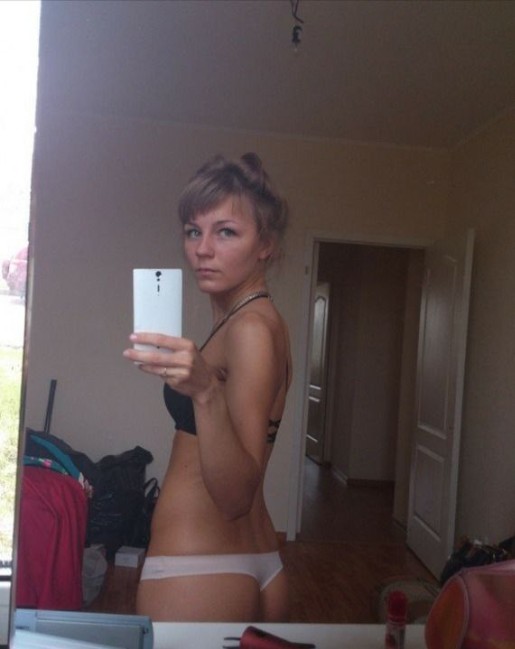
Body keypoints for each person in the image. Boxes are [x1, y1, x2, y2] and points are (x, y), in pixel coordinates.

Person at [123, 153, 291, 622]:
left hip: (198, 571)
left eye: (226, 232)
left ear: (266, 244)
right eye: (193, 231)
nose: (202, 249)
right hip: (252, 558)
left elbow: (235, 497)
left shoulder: (250, 330)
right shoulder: (253, 321)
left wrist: (205, 391)